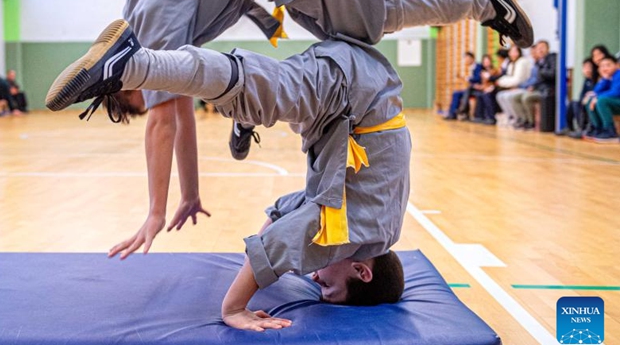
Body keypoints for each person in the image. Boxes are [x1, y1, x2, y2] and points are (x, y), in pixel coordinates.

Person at [47, 0, 534, 256]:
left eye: (135, 96)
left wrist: (156, 212)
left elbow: (166, 120)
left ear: (126, 86)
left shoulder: (151, 31)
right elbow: (183, 93)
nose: (150, 96)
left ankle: (483, 0)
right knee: (345, 23)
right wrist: (190, 194)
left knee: (363, 25)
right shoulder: (149, 3)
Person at [48, 20, 410, 330]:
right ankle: (133, 66)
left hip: (355, 96)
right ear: (362, 272)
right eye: (328, 287)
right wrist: (235, 307)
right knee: (260, 87)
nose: (315, 279)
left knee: (275, 89)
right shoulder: (348, 236)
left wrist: (264, 260)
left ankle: (247, 113)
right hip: (354, 94)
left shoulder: (376, 227)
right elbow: (281, 242)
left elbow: (287, 210)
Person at [510, 41, 557, 130]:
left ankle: (531, 122)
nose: (540, 50)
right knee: (516, 97)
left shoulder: (552, 58)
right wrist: (532, 86)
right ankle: (523, 120)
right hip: (538, 88)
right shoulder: (538, 63)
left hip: (548, 90)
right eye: (538, 48)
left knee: (526, 98)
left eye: (542, 47)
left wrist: (541, 73)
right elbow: (537, 79)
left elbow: (552, 74)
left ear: (548, 48)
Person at [583, 56, 620, 143]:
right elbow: (595, 91)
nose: (605, 68)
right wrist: (604, 80)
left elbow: (616, 92)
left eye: (608, 65)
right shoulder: (607, 78)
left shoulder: (618, 75)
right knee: (590, 100)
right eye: (602, 66)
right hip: (614, 102)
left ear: (616, 65)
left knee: (601, 100)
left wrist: (597, 97)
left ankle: (610, 131)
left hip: (617, 101)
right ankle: (598, 128)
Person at [494, 45, 533, 126]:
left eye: (514, 51)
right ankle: (511, 117)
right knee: (500, 95)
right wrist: (501, 82)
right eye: (511, 51)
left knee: (508, 96)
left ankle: (522, 118)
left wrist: (502, 82)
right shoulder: (511, 64)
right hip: (515, 87)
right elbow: (508, 77)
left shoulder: (522, 62)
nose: (512, 53)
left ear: (519, 52)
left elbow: (518, 80)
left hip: (523, 87)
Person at [556, 59, 595, 138]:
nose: (587, 70)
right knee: (573, 103)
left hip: (591, 104)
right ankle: (569, 127)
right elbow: (581, 96)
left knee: (577, 104)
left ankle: (582, 129)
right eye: (585, 67)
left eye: (589, 67)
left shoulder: (595, 80)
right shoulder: (587, 80)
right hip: (584, 104)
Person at [473, 49, 509, 125]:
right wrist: (481, 87)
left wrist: (489, 87)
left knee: (486, 94)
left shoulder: (495, 70)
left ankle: (491, 117)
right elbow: (484, 84)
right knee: (480, 94)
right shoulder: (482, 72)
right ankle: (480, 116)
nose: (486, 63)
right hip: (486, 88)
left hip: (495, 88)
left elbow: (496, 81)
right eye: (484, 61)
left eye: (487, 61)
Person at [443, 51, 482, 120]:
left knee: (466, 91)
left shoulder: (478, 66)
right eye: (465, 58)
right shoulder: (471, 68)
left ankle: (462, 110)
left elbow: (478, 78)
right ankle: (452, 113)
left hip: (476, 89)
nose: (466, 60)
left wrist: (468, 78)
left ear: (472, 58)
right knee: (456, 93)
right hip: (470, 89)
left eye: (467, 58)